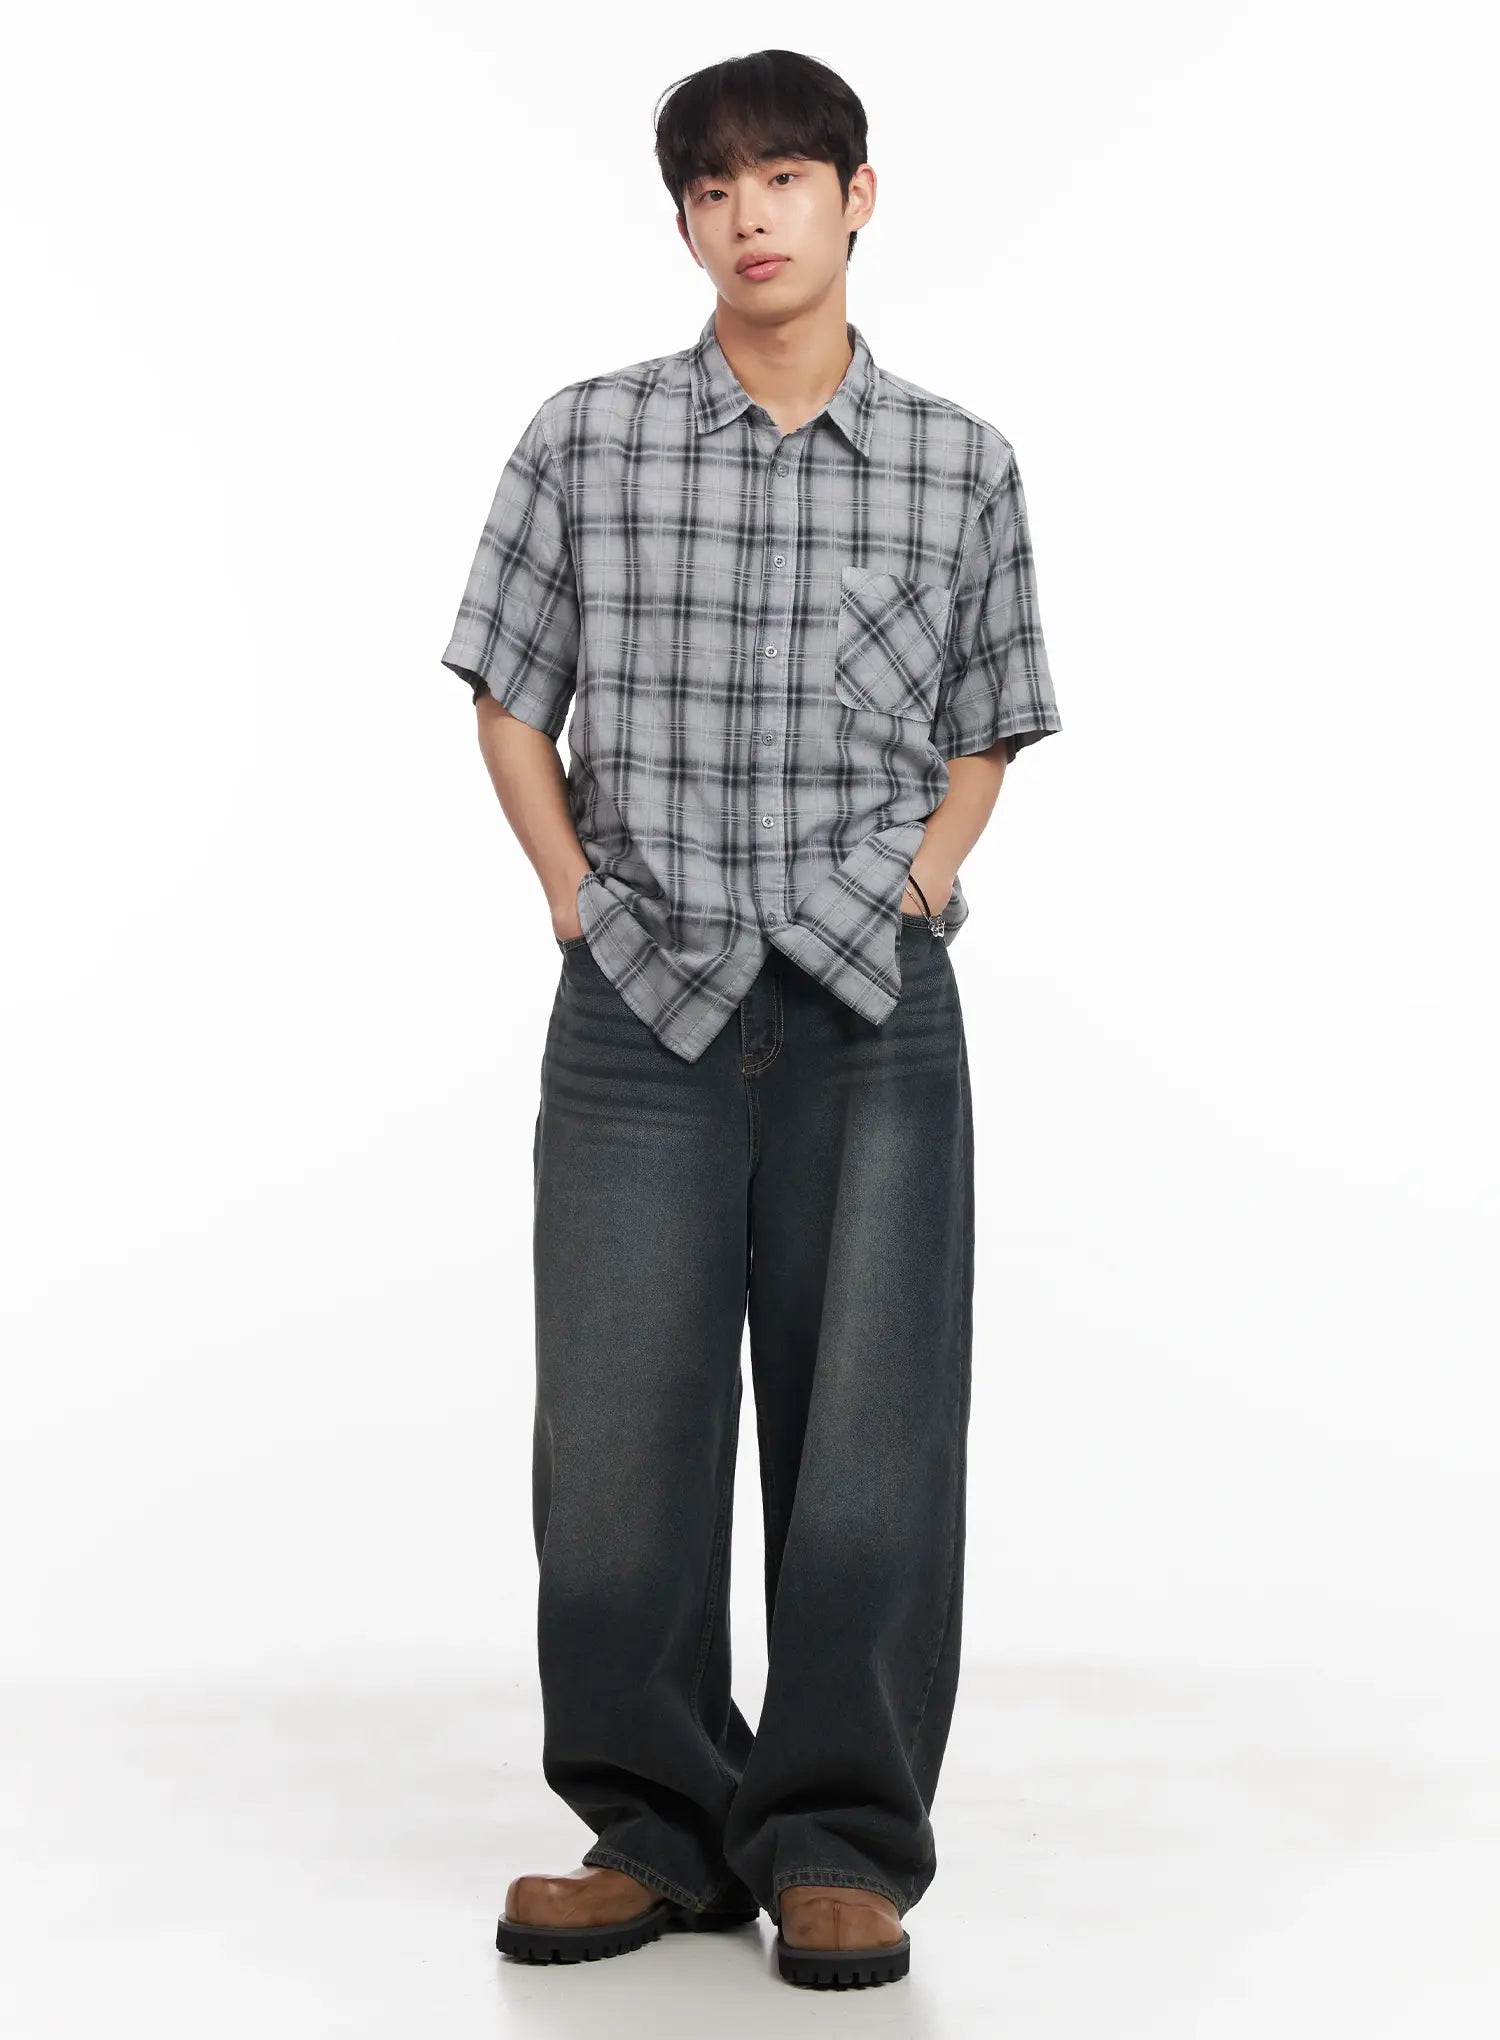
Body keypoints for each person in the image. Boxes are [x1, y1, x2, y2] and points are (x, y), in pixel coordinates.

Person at [437, 48, 1061, 1991]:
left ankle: (841, 1844)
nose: (748, 217)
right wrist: (570, 894)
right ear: (685, 222)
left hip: (871, 1008)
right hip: (642, 1002)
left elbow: (989, 721)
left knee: (871, 1431)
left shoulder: (959, 464)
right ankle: (655, 1828)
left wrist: (924, 880)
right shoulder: (588, 438)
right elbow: (509, 692)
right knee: (618, 1436)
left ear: (856, 197)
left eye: (783, 178)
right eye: (711, 190)